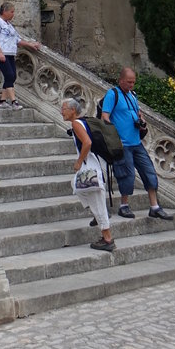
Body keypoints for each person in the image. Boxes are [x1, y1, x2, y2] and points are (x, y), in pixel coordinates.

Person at [102, 66, 173, 220]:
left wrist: (141, 121)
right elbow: (105, 117)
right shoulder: (112, 94)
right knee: (127, 174)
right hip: (123, 144)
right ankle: (124, 206)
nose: (131, 85)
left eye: (133, 82)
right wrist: (114, 137)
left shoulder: (133, 95)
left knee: (149, 172)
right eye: (129, 82)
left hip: (136, 142)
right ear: (121, 80)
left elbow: (137, 113)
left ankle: (154, 207)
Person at [60, 96, 115, 252]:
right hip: (94, 164)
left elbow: (88, 143)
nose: (61, 112)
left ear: (72, 110)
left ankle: (107, 238)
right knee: (76, 186)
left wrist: (79, 161)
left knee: (98, 202)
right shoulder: (82, 122)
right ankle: (97, 216)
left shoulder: (77, 124)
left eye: (64, 109)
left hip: (90, 166)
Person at [0, 2, 40, 109]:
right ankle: (14, 101)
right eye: (12, 12)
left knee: (12, 76)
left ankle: (2, 101)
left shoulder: (9, 25)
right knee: (9, 75)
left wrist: (30, 44)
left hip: (9, 53)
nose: (13, 14)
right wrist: (0, 53)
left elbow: (17, 40)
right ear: (5, 11)